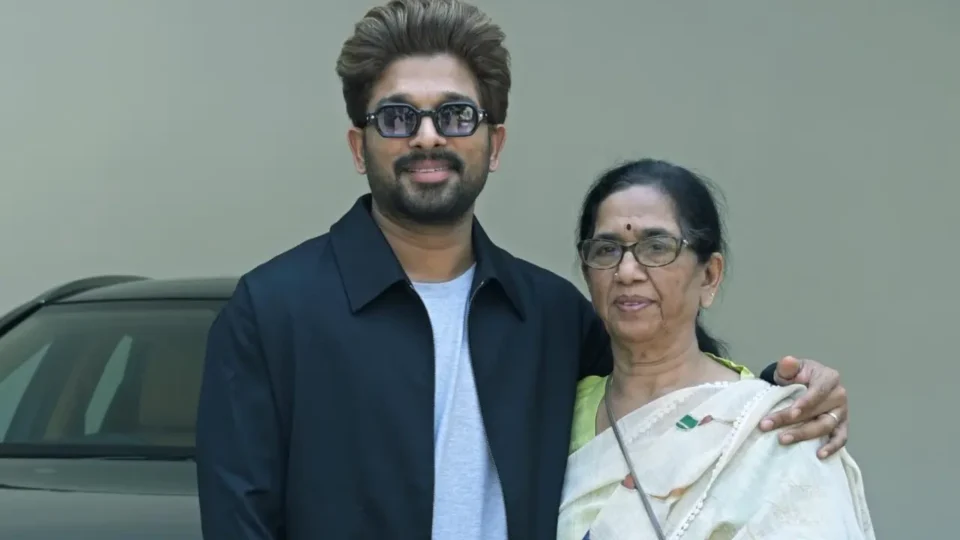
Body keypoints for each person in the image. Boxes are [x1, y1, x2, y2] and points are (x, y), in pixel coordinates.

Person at [195, 1, 852, 539]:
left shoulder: (549, 316)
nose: (428, 135)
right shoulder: (273, 313)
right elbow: (240, 521)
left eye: (456, 114)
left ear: (495, 143)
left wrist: (779, 394)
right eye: (397, 117)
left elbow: (663, 397)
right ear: (358, 147)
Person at [558, 159, 874, 540]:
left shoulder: (772, 425)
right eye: (606, 250)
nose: (626, 271)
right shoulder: (553, 412)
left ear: (709, 276)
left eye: (656, 247)